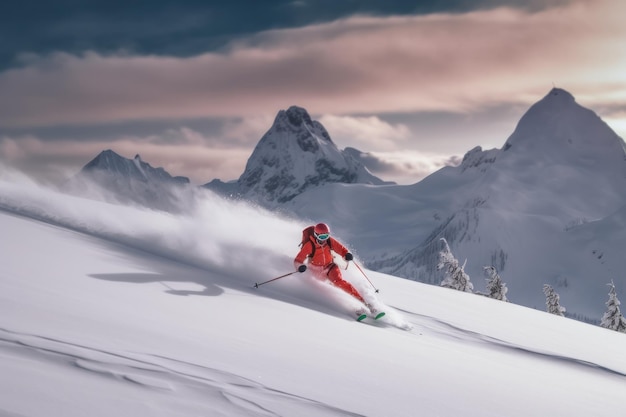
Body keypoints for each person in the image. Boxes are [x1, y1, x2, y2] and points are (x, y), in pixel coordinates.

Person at [294, 222, 371, 309]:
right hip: (316, 270)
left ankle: (362, 302)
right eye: (321, 237)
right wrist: (300, 267)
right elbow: (298, 260)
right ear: (316, 235)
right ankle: (346, 306)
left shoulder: (329, 241)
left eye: (326, 236)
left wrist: (346, 254)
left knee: (338, 282)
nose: (323, 240)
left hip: (330, 266)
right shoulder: (309, 245)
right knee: (321, 289)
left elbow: (341, 249)